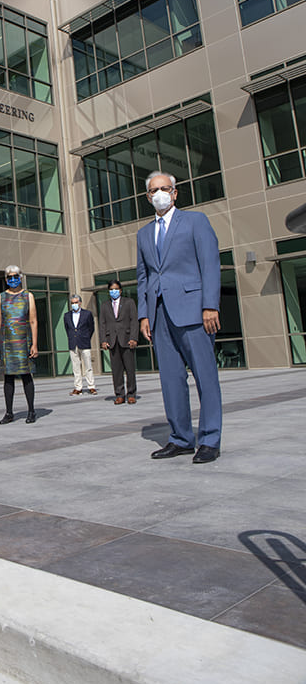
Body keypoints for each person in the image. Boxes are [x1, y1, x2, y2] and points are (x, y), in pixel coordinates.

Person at [136, 171, 222, 464]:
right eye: (153, 190)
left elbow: (210, 264)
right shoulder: (144, 233)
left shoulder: (196, 221)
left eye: (164, 188)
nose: (159, 194)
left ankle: (209, 439)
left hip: (194, 310)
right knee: (171, 380)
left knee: (205, 376)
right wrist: (144, 315)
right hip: (159, 314)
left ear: (174, 193)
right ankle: (181, 438)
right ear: (148, 197)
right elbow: (143, 276)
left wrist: (210, 305)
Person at [0, 265, 38, 424]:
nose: (13, 279)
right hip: (7, 343)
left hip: (24, 342)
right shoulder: (0, 297)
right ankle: (9, 412)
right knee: (8, 378)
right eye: (9, 277)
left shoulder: (28, 296)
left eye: (15, 276)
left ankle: (31, 411)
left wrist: (35, 344)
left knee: (27, 377)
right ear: (6, 279)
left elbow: (33, 320)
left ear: (20, 277)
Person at [99, 281, 139, 404]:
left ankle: (131, 394)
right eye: (111, 289)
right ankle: (119, 394)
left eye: (116, 289)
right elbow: (102, 324)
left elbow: (134, 321)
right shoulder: (105, 305)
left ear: (120, 290)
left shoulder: (129, 302)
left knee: (130, 368)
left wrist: (134, 338)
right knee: (116, 370)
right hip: (112, 340)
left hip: (127, 340)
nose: (114, 291)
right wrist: (103, 340)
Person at [63, 294, 97, 396]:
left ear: (80, 303)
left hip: (84, 342)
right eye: (72, 303)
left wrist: (86, 337)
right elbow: (67, 329)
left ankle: (91, 386)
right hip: (73, 344)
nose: (74, 304)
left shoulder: (87, 314)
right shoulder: (67, 315)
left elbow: (91, 328)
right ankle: (78, 387)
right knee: (76, 367)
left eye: (76, 302)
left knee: (88, 366)